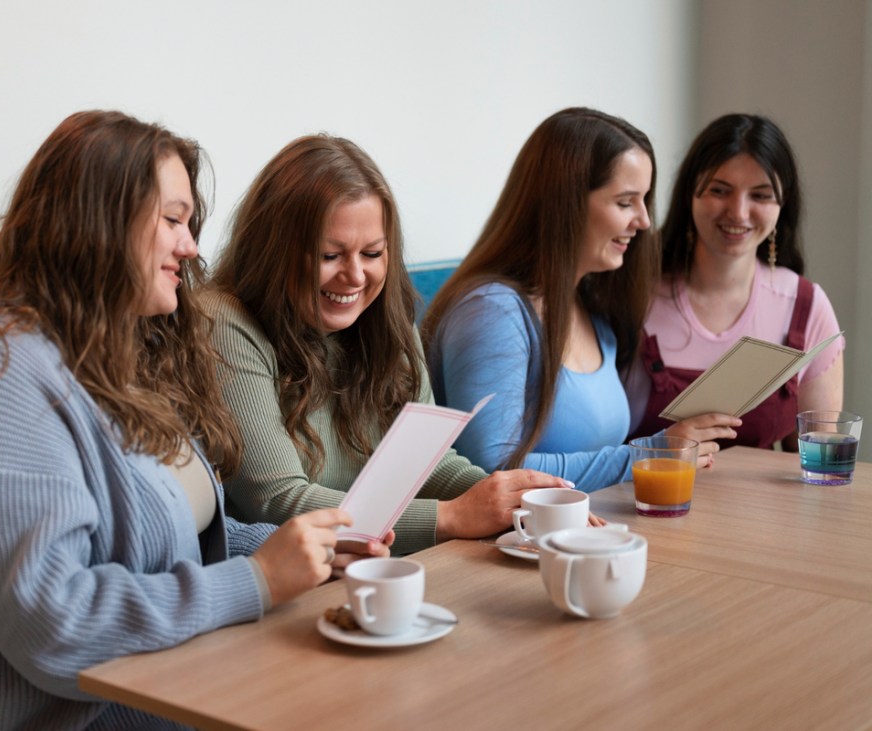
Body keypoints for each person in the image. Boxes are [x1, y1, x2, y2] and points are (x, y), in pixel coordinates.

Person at [0, 111, 389, 730]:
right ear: (96, 226)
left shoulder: (118, 358)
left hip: (181, 694)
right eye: (173, 220)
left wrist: (309, 552)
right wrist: (255, 580)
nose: (191, 245)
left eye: (189, 222)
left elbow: (169, 542)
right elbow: (55, 627)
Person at [205, 134, 585, 556]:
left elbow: (429, 466)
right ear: (273, 253)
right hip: (289, 585)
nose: (355, 276)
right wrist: (453, 516)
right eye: (330, 255)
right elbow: (277, 503)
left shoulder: (383, 317)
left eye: (372, 253)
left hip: (376, 566)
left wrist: (520, 503)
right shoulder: (225, 322)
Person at [422, 107, 739, 491]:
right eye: (625, 202)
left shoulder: (589, 303)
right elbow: (494, 470)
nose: (644, 222)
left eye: (644, 201)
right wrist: (653, 453)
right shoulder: (493, 311)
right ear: (565, 204)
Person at [624, 113, 844, 448]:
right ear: (689, 194)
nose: (738, 213)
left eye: (760, 195)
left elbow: (817, 466)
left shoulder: (806, 306)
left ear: (783, 205)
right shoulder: (631, 292)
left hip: (761, 504)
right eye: (719, 190)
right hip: (642, 499)